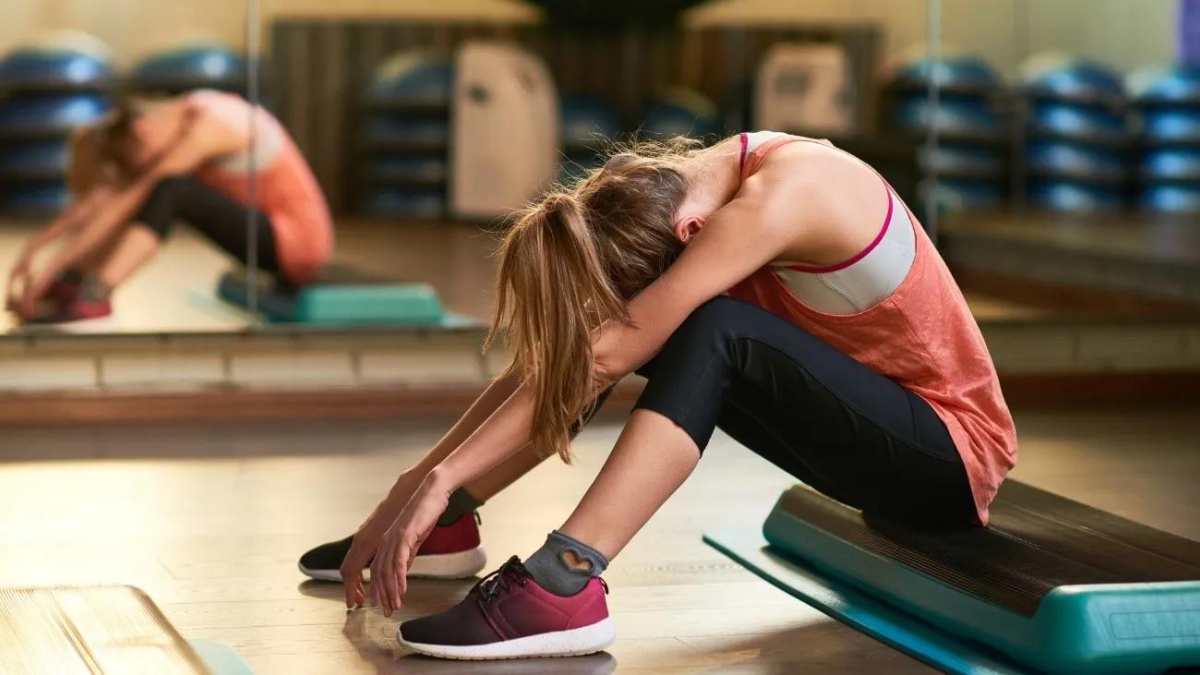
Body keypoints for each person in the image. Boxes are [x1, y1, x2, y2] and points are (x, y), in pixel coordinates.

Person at [298, 132, 1018, 660]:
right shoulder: (673, 183)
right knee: (658, 328)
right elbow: (584, 350)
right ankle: (450, 529)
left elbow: (613, 349)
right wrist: (420, 495)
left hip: (948, 460)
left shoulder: (786, 194)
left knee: (715, 329)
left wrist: (441, 474)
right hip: (877, 443)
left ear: (691, 233)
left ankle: (565, 581)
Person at [5, 90, 332, 325]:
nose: (143, 168)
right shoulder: (184, 116)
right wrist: (37, 248)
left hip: (298, 246)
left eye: (140, 160)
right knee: (156, 189)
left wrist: (47, 268)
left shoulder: (211, 125)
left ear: (142, 129)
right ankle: (73, 282)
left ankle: (96, 294)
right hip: (265, 236)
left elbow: (127, 200)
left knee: (171, 190)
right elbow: (105, 200)